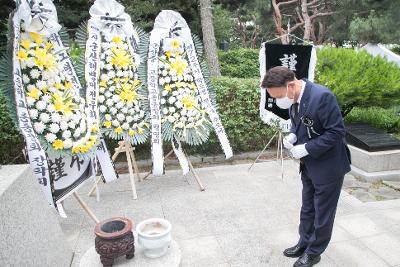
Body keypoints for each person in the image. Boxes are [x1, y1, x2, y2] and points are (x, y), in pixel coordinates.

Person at [261, 66, 351, 267]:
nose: (278, 101)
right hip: (309, 165)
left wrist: (307, 148)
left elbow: (336, 132)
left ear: (291, 85)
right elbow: (300, 122)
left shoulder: (323, 97)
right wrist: (293, 134)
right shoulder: (295, 98)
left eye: (278, 96)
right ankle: (304, 242)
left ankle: (315, 251)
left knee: (323, 211)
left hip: (329, 166)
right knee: (308, 207)